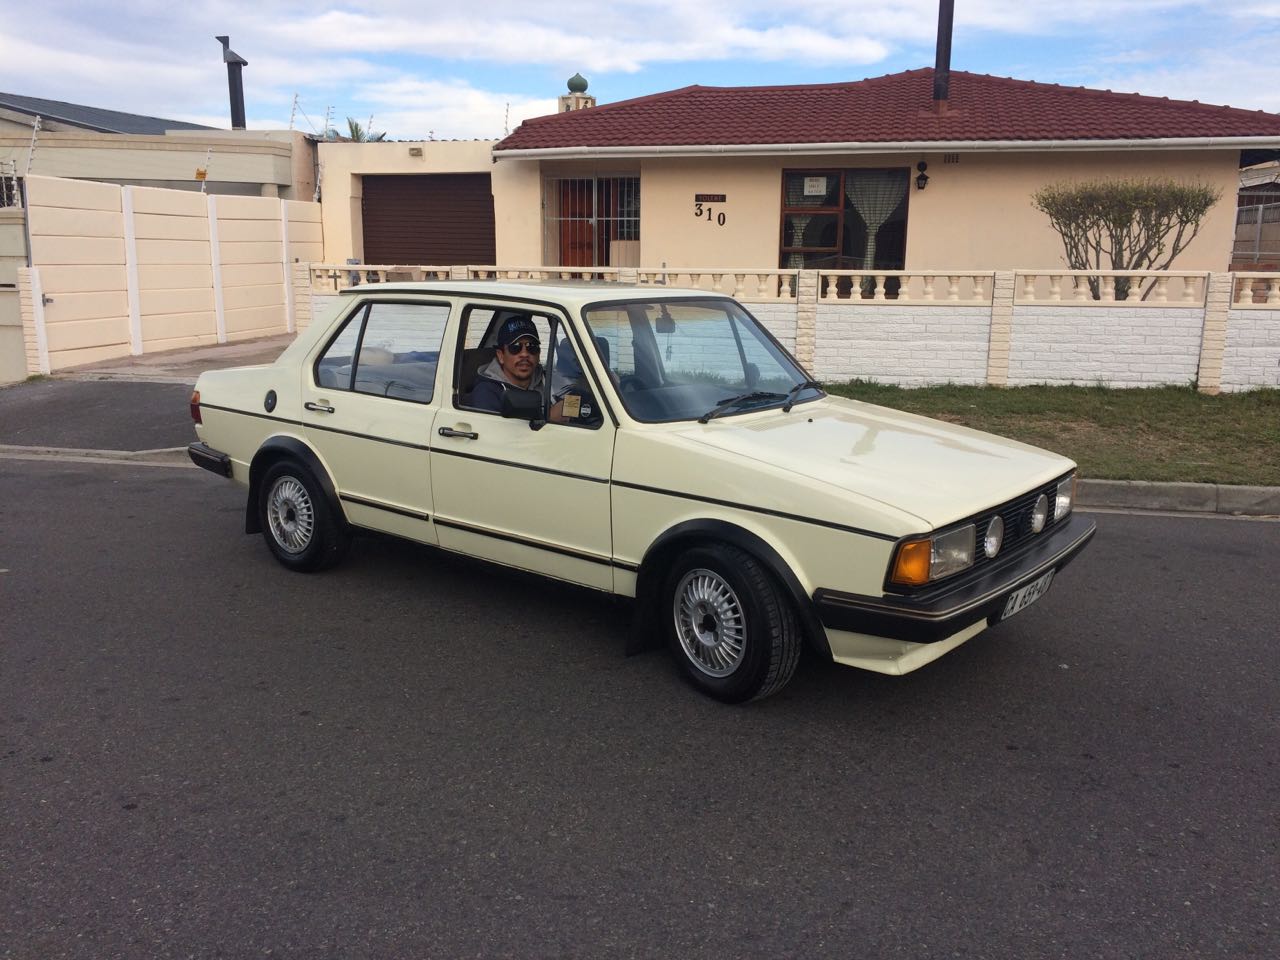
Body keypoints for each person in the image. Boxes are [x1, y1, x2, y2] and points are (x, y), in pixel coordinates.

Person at [467, 316, 546, 413]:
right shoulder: (486, 393)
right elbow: (493, 428)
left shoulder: (548, 381)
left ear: (539, 353)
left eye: (531, 346)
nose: (524, 354)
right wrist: (549, 418)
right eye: (515, 347)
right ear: (501, 356)